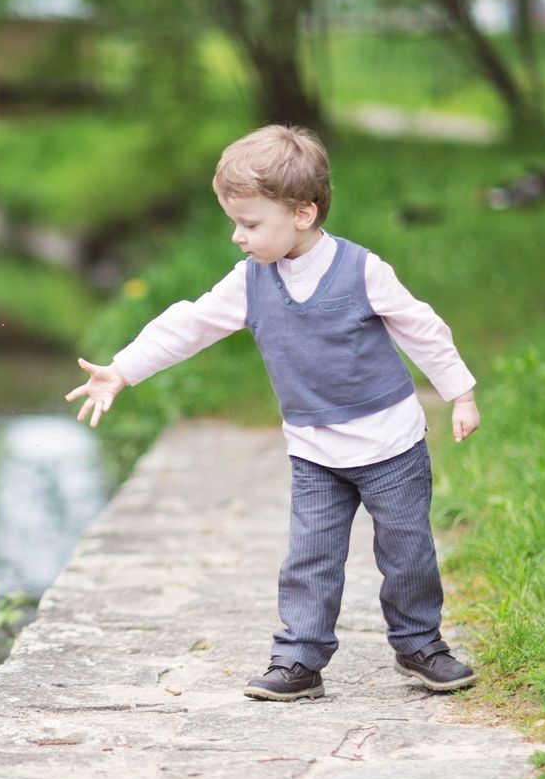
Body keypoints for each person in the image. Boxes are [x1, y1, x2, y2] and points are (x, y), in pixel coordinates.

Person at [66, 125, 480, 702]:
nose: (238, 236)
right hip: (315, 450)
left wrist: (459, 392)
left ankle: (419, 647)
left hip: (391, 445)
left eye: (251, 223)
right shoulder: (251, 282)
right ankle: (299, 660)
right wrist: (123, 369)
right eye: (235, 222)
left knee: (407, 551)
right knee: (310, 557)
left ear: (303, 214)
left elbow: (421, 327)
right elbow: (190, 323)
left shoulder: (362, 271)